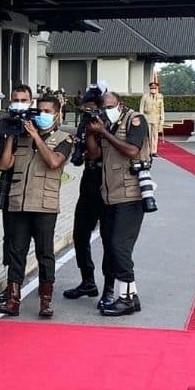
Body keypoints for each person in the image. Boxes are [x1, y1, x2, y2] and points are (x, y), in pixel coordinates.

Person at [0, 95, 72, 317]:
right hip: (19, 203)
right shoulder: (22, 137)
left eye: (48, 111)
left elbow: (54, 161)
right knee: (16, 252)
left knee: (45, 253)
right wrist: (11, 134)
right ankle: (13, 299)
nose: (42, 114)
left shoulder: (64, 138)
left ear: (57, 114)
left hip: (44, 206)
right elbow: (4, 164)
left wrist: (37, 137)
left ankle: (45, 301)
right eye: (39, 110)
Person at [84, 91, 151, 316]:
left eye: (109, 107)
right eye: (102, 108)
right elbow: (93, 155)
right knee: (112, 246)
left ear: (119, 104)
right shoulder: (105, 125)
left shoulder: (136, 120)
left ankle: (126, 298)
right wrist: (90, 132)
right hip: (110, 195)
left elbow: (132, 150)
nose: (105, 111)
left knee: (120, 245)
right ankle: (130, 296)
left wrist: (103, 131)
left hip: (131, 194)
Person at [0, 84, 35, 304]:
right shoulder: (3, 122)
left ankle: (44, 291)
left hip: (34, 188)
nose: (19, 103)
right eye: (16, 99)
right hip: (9, 184)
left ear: (31, 101)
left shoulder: (37, 121)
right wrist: (7, 147)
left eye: (24, 100)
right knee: (11, 239)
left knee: (36, 242)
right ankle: (12, 284)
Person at [64, 86, 106, 301]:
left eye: (90, 109)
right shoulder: (83, 124)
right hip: (88, 181)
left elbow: (98, 154)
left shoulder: (107, 124)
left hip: (106, 183)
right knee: (80, 234)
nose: (87, 114)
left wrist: (92, 132)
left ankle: (110, 288)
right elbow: (79, 157)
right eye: (84, 111)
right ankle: (87, 281)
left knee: (109, 238)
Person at [140, 81, 164, 157]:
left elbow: (162, 109)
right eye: (152, 88)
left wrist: (162, 120)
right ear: (149, 88)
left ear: (157, 89)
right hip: (147, 118)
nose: (153, 89)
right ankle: (148, 150)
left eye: (154, 88)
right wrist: (142, 119)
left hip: (156, 118)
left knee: (155, 136)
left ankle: (154, 151)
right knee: (148, 135)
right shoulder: (145, 96)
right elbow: (141, 108)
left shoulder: (160, 96)